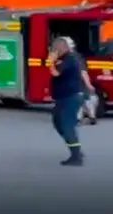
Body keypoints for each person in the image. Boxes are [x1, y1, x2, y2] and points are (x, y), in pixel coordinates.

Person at [49, 37, 84, 165]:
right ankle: (75, 150)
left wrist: (50, 62)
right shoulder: (64, 58)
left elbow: (55, 73)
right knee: (57, 121)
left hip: (70, 97)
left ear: (62, 47)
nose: (53, 50)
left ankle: (76, 156)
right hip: (63, 97)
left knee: (67, 125)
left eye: (55, 48)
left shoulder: (70, 58)